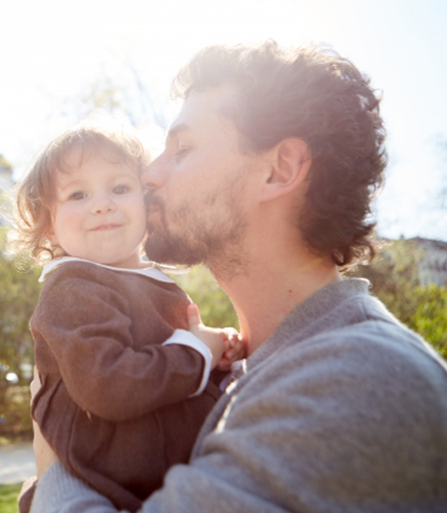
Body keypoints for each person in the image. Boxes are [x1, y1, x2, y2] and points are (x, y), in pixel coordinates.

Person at [29, 42, 447, 512]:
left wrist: (53, 473)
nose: (149, 175)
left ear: (279, 169)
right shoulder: (248, 367)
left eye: (182, 149)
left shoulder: (364, 378)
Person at [9, 123, 243, 512]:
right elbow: (109, 385)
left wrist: (214, 360)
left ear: (147, 204)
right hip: (113, 475)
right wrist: (195, 351)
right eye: (78, 194)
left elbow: (169, 369)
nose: (102, 204)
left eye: (120, 188)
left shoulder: (147, 281)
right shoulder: (73, 288)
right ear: (49, 224)